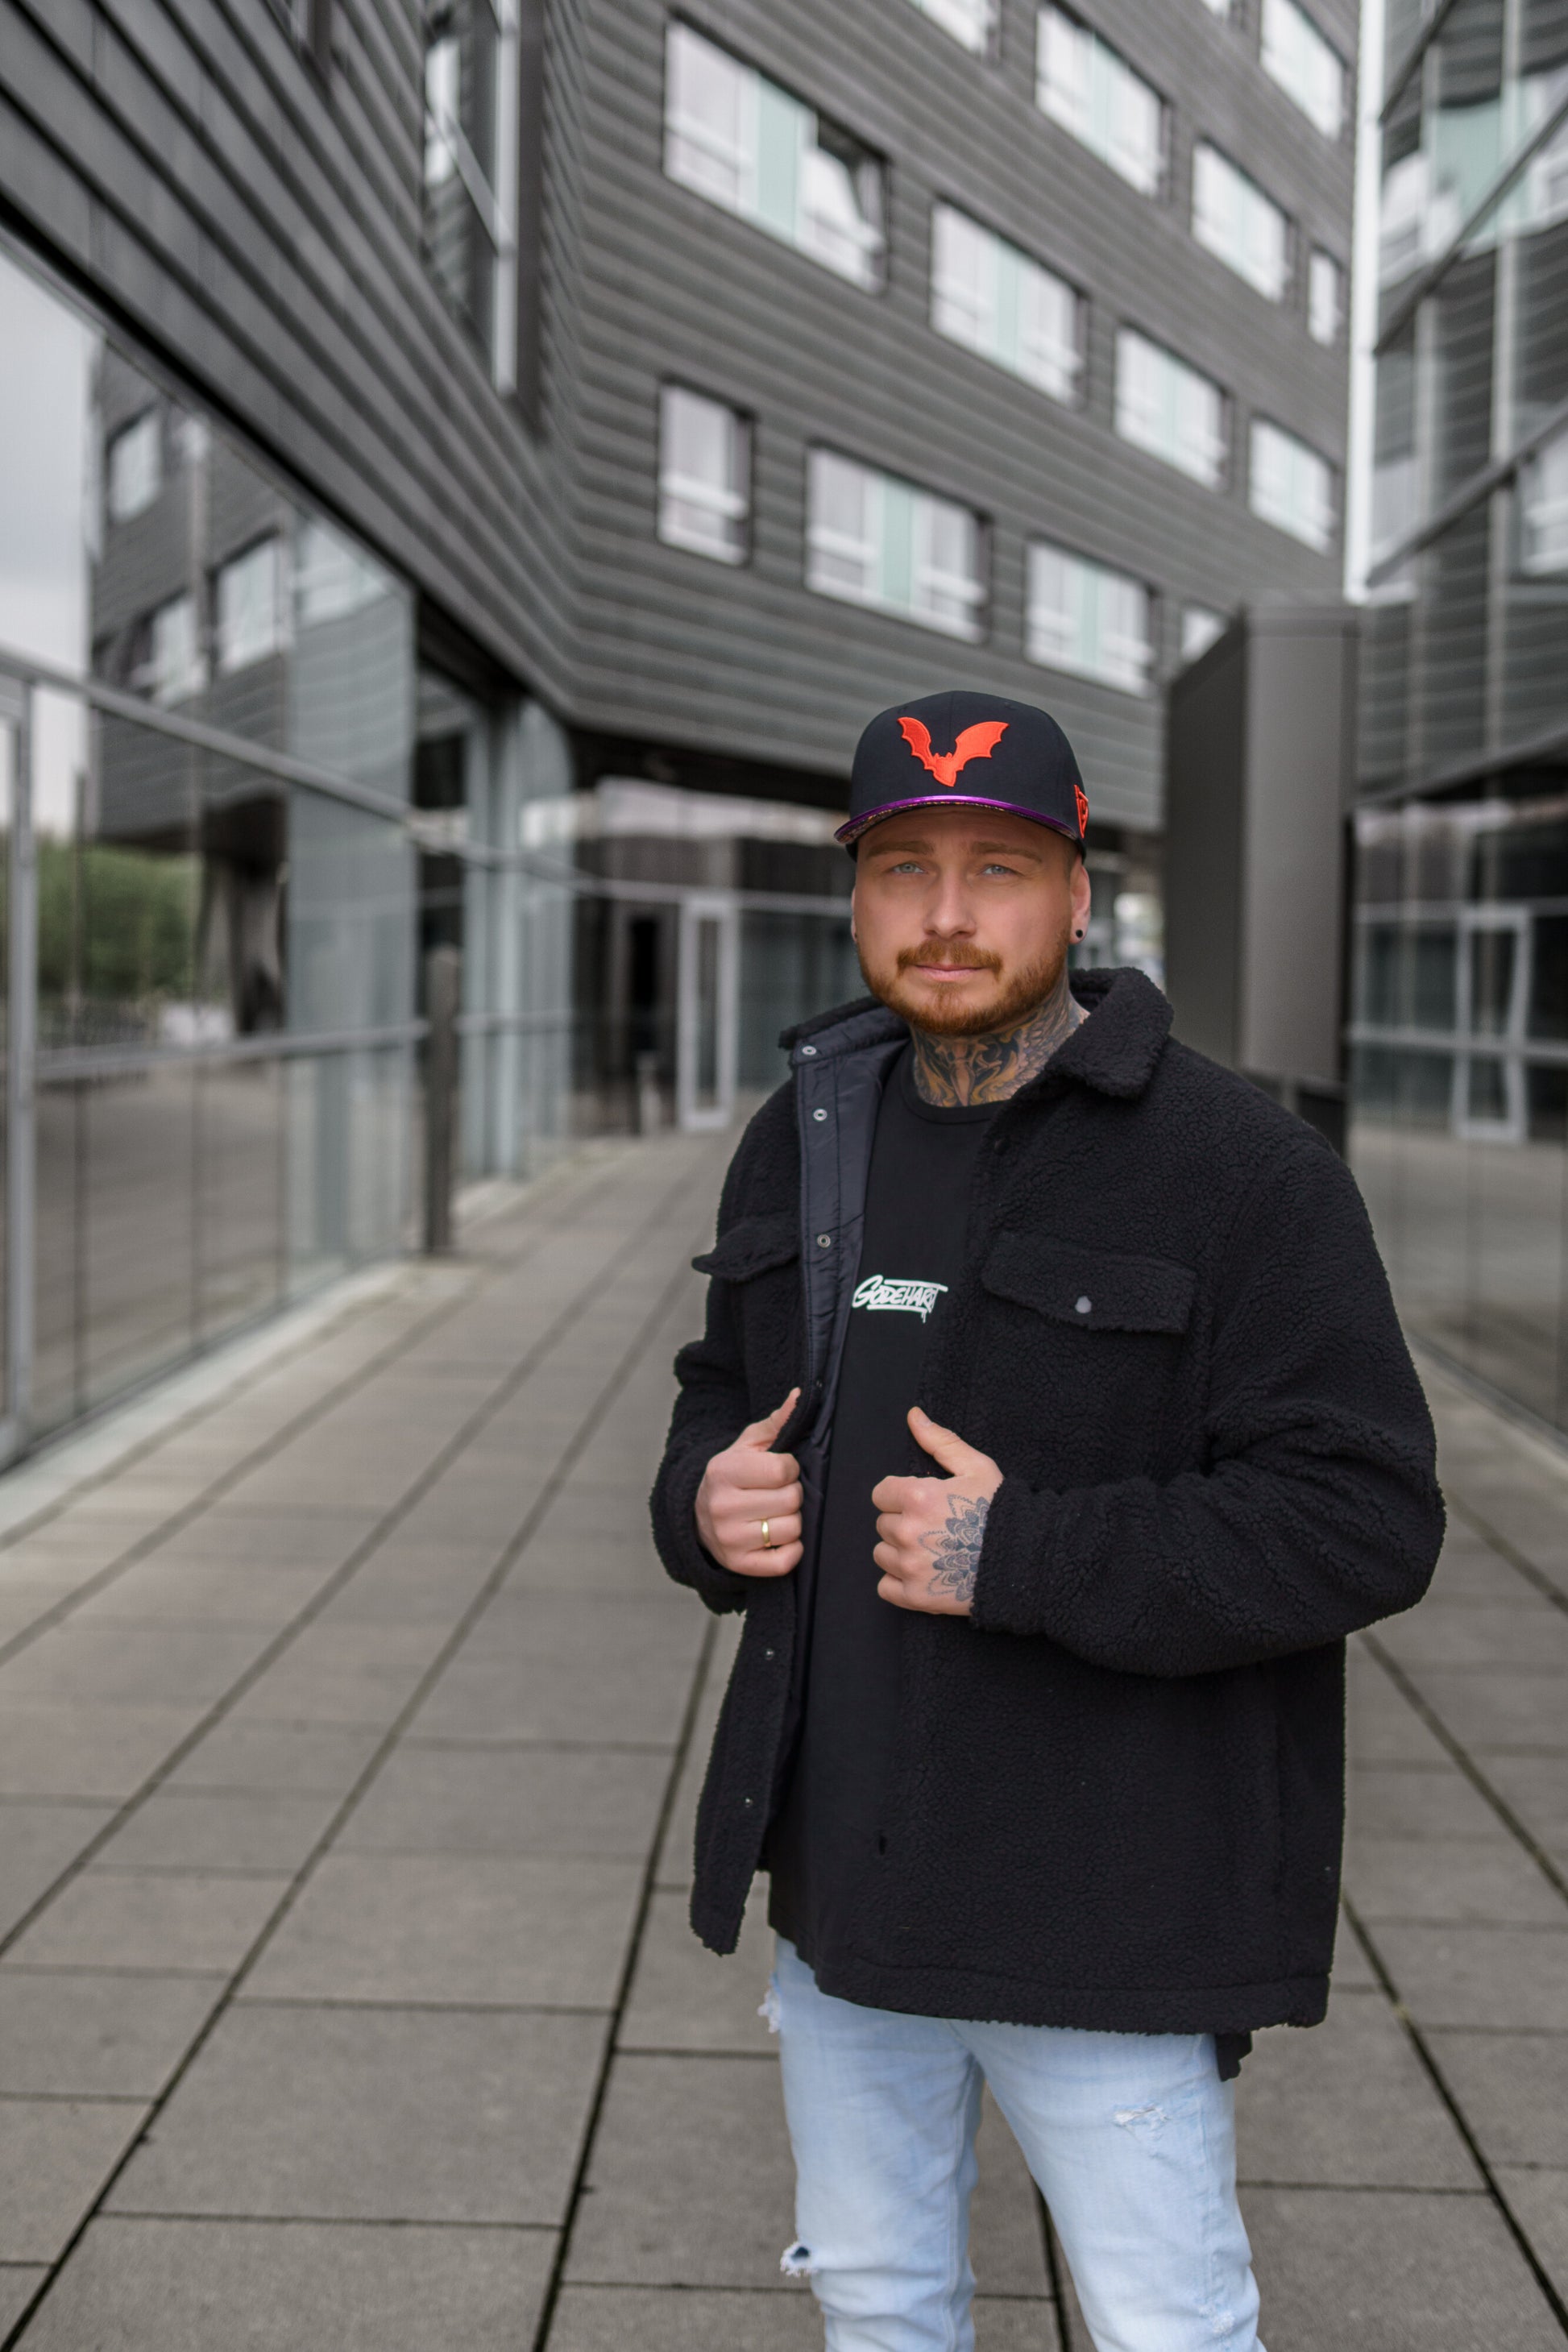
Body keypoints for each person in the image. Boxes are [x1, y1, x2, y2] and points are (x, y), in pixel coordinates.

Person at [650, 689, 1443, 2352]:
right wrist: (703, 1501)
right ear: (854, 892)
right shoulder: (801, 1137)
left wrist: (1026, 1554)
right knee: (875, 2302)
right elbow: (716, 1398)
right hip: (844, 1884)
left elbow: (1362, 1517)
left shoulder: (1239, 1168)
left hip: (1104, 1896)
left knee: (1163, 2321)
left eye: (998, 868)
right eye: (904, 868)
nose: (946, 914)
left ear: (1078, 895)